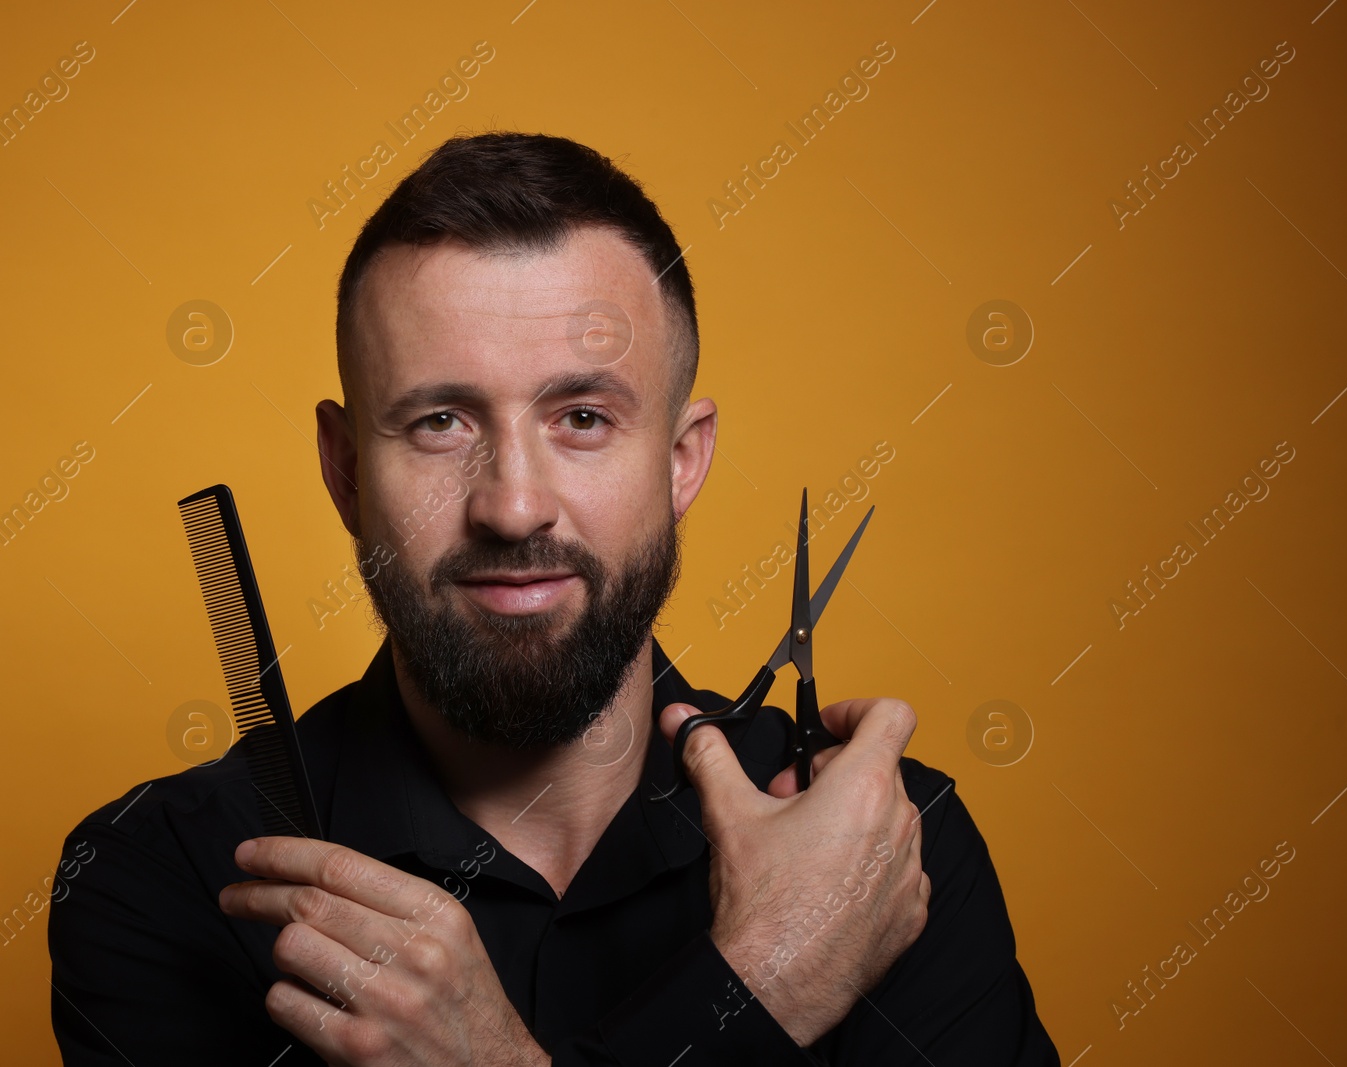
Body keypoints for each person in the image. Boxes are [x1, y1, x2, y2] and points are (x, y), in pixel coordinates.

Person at [48, 132, 1059, 1065]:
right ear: (347, 469)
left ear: (679, 460)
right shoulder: (159, 877)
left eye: (581, 415)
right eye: (441, 420)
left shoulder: (874, 845)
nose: (513, 505)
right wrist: (767, 981)